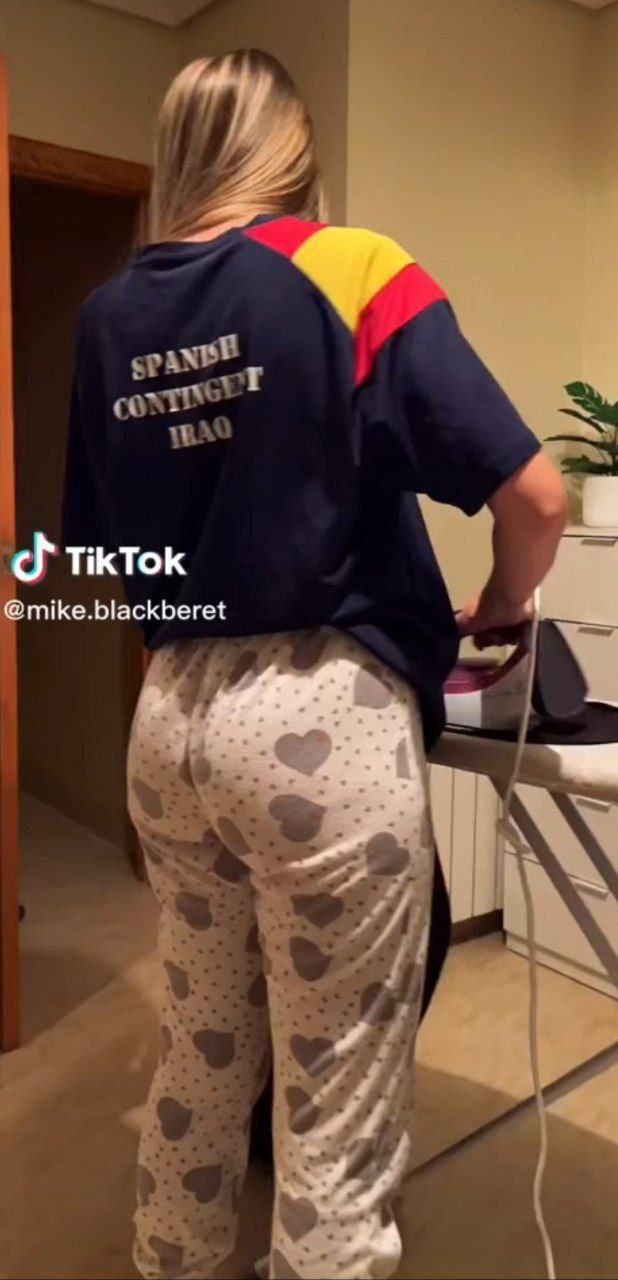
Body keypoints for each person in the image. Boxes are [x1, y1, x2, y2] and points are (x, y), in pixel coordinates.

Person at [62, 48, 567, 1280]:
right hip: (320, 716)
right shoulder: (347, 265)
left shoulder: (109, 314)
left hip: (169, 719)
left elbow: (101, 551)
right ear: (292, 151)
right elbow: (537, 494)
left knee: (202, 1044)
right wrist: (503, 601)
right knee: (336, 1093)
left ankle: (171, 1259)